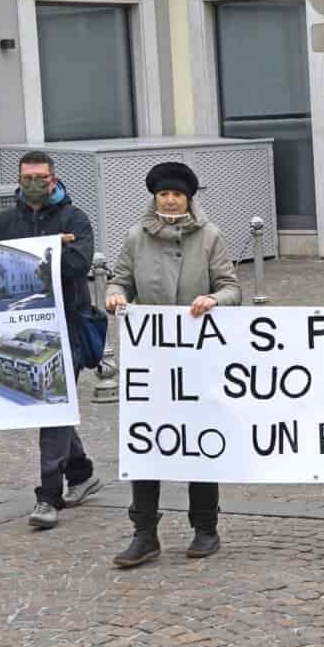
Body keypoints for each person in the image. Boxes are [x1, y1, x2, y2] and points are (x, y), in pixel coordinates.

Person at [105, 162, 242, 567]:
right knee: (147, 441)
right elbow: (119, 280)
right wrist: (114, 295)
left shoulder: (210, 237)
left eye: (177, 194)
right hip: (150, 360)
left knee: (199, 441)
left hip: (198, 356)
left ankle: (205, 527)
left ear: (188, 198)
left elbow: (231, 286)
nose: (169, 199)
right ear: (155, 197)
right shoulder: (135, 237)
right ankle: (144, 532)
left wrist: (215, 300)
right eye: (163, 193)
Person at [0, 150, 102, 529]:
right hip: (22, 328)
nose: (33, 183)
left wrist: (32, 259)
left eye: (40, 177)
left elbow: (77, 265)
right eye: (27, 177)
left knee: (50, 406)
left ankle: (48, 496)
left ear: (54, 179)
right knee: (55, 406)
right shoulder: (4, 222)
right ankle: (82, 472)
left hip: (68, 326)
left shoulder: (75, 218)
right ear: (19, 180)